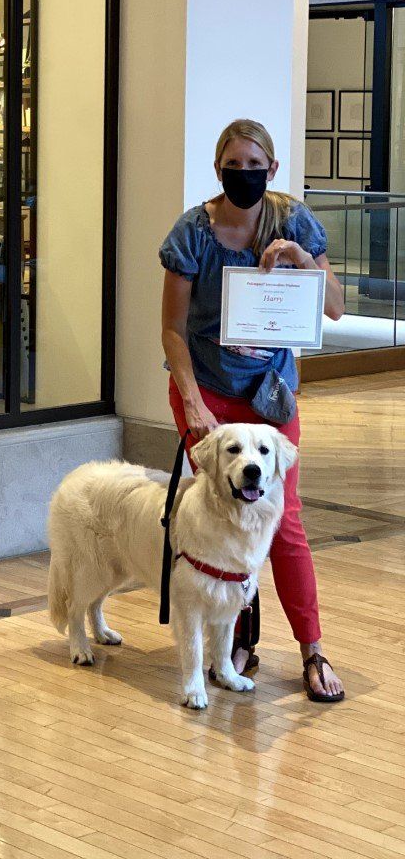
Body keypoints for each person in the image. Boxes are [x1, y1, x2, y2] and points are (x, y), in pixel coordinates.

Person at [159, 118, 345, 702]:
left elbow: (334, 308)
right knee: (220, 517)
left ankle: (312, 650)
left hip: (270, 394)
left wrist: (301, 258)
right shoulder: (192, 232)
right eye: (233, 166)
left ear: (273, 169)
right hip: (208, 391)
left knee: (281, 519)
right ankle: (233, 644)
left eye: (254, 165)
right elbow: (171, 328)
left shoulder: (291, 219)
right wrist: (190, 400)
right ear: (218, 170)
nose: (245, 175)